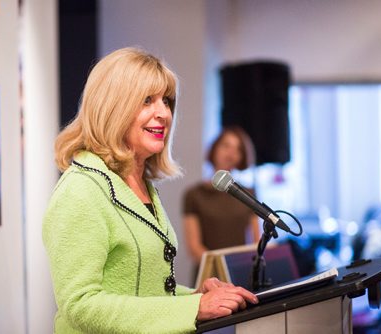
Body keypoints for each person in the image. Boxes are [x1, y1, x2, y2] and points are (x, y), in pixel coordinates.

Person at [43, 47, 258, 334]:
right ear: (112, 106)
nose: (164, 114)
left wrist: (195, 297)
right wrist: (193, 308)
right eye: (147, 100)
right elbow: (80, 304)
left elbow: (142, 290)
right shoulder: (80, 190)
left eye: (166, 101)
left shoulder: (140, 184)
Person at [183, 127, 261, 280]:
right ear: (214, 149)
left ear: (242, 157)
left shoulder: (248, 195)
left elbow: (256, 240)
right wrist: (221, 271)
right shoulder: (194, 195)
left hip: (241, 274)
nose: (231, 153)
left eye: (237, 149)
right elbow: (194, 247)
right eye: (226, 146)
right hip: (208, 277)